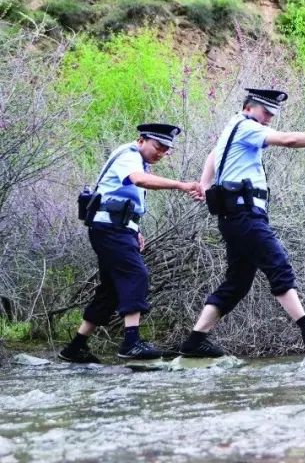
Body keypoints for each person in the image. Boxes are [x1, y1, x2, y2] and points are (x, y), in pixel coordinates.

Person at [178, 88, 305, 357]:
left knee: (237, 283)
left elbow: (214, 154)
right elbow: (289, 140)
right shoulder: (247, 126)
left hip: (235, 217)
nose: (269, 118)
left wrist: (205, 183)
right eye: (266, 112)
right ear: (249, 108)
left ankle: (195, 340)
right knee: (278, 264)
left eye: (273, 114)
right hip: (244, 215)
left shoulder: (232, 126)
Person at [59, 124, 204, 363]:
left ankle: (75, 347)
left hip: (116, 229)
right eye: (158, 146)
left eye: (166, 149)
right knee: (136, 275)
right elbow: (138, 181)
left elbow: (123, 198)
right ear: (141, 140)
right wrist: (181, 185)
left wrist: (134, 230)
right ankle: (131, 343)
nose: (161, 152)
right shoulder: (129, 155)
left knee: (111, 289)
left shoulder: (138, 160)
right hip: (110, 229)